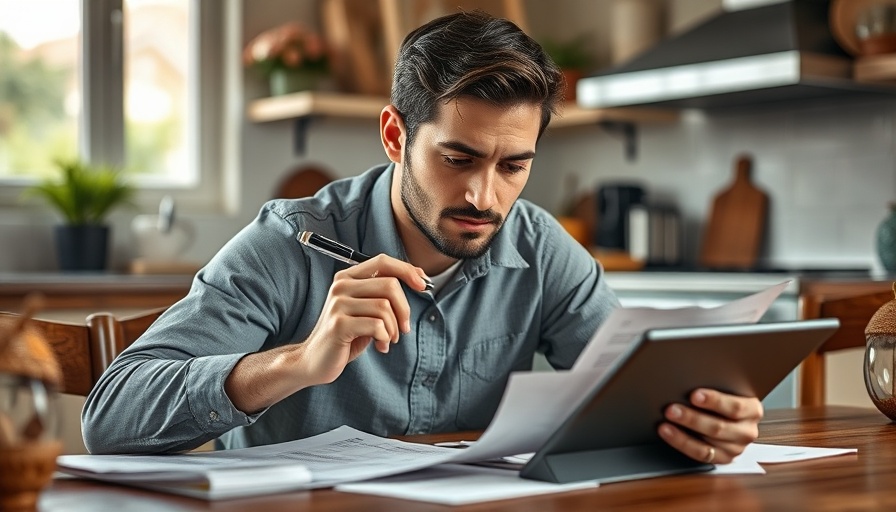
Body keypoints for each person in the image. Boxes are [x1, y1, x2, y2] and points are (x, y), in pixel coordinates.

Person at [82, 10, 761, 464]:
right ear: (394, 136)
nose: (482, 196)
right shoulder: (289, 242)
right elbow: (110, 416)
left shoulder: (541, 248)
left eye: (513, 166)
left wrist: (701, 422)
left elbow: (633, 395)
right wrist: (299, 362)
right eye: (457, 158)